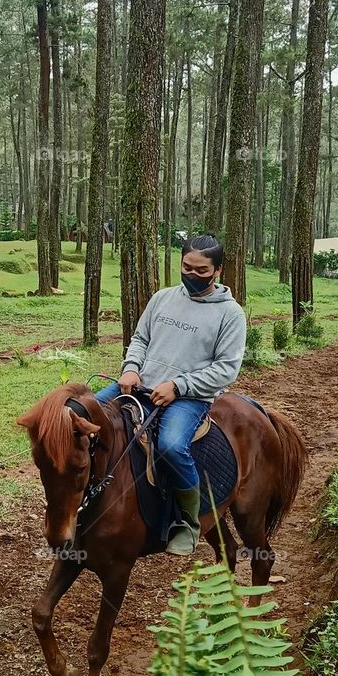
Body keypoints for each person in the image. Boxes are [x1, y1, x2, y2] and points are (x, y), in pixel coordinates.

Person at [96, 233, 247, 555]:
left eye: (202, 270)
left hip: (189, 397)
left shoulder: (230, 314)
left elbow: (227, 369)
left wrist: (179, 386)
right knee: (82, 415)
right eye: (187, 267)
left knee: (170, 446)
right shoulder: (162, 298)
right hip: (140, 383)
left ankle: (188, 523)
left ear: (218, 270)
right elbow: (140, 338)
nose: (192, 275)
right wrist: (131, 368)